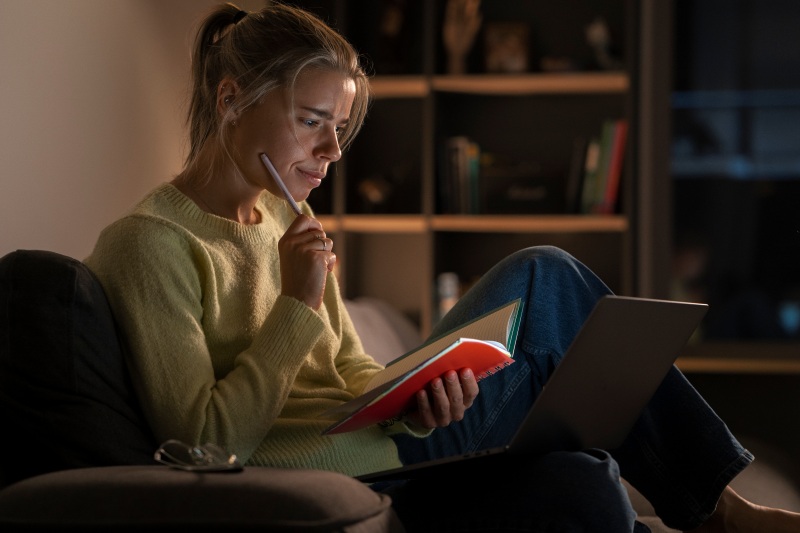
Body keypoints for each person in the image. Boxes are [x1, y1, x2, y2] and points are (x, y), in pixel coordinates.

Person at [84, 3, 800, 532]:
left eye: (340, 128)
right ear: (230, 96)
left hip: (387, 441)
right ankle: (720, 508)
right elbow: (205, 444)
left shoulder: (284, 221)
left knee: (580, 479)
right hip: (335, 464)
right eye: (311, 121)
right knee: (548, 277)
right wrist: (296, 305)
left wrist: (423, 399)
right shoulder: (150, 245)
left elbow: (349, 378)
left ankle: (704, 509)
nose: (332, 152)